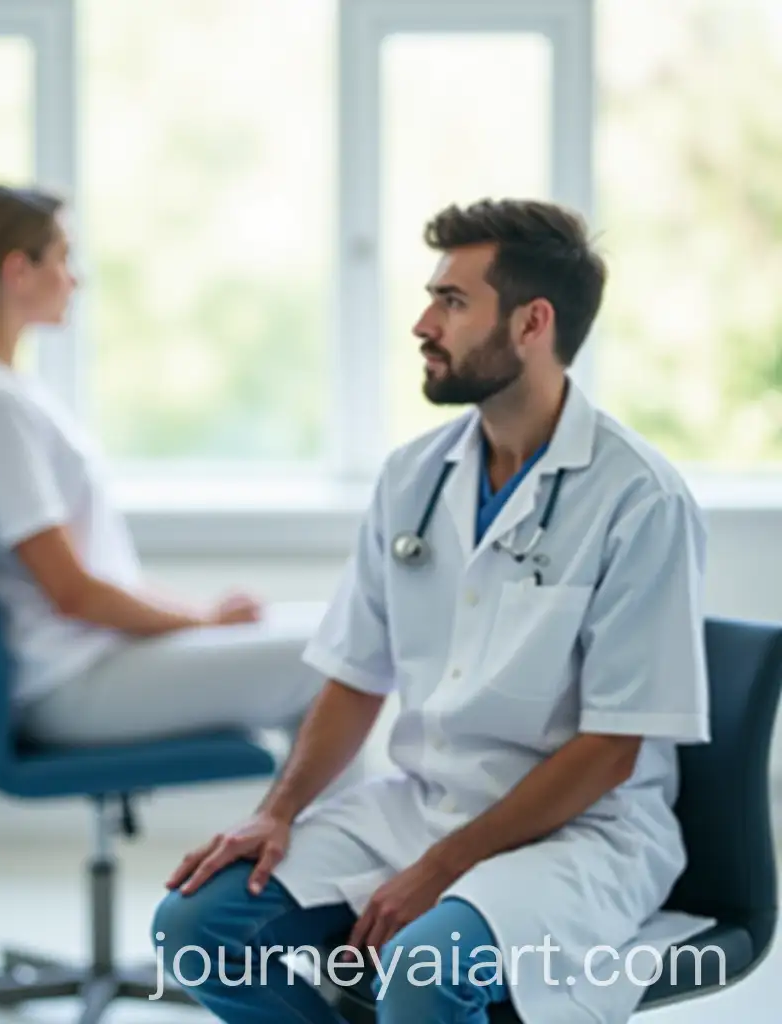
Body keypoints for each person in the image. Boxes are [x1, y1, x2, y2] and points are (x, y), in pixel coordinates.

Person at [152, 197, 714, 1024]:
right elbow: (353, 675)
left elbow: (609, 751)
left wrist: (442, 869)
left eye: (452, 302)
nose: (422, 323)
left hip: (581, 835)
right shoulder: (413, 478)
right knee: (196, 927)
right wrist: (276, 812)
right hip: (421, 804)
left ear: (532, 323)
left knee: (424, 969)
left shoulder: (640, 498)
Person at [0, 183, 336, 751]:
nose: (75, 276)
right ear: (19, 270)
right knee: (336, 664)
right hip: (72, 683)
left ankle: (312, 837)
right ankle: (329, 842)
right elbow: (73, 592)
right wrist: (203, 624)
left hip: (95, 659)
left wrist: (203, 614)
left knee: (336, 634)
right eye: (64, 257)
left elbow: (93, 576)